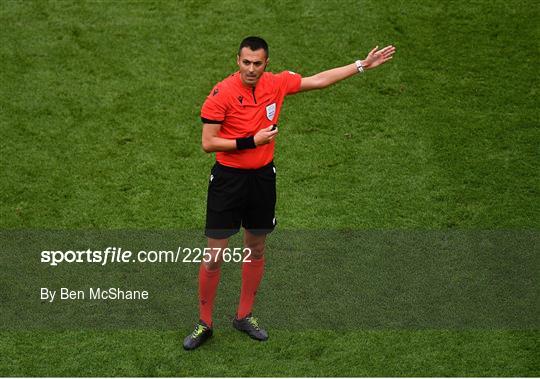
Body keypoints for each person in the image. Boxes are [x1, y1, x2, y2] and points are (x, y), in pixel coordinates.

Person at [183, 36, 395, 350]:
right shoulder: (221, 93)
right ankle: (204, 323)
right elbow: (208, 142)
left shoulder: (277, 83)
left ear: (266, 63)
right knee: (214, 255)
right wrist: (250, 142)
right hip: (228, 180)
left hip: (262, 180)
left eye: (257, 63)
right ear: (237, 61)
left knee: (255, 248)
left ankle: (244, 316)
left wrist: (362, 65)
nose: (251, 69)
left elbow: (320, 80)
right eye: (246, 62)